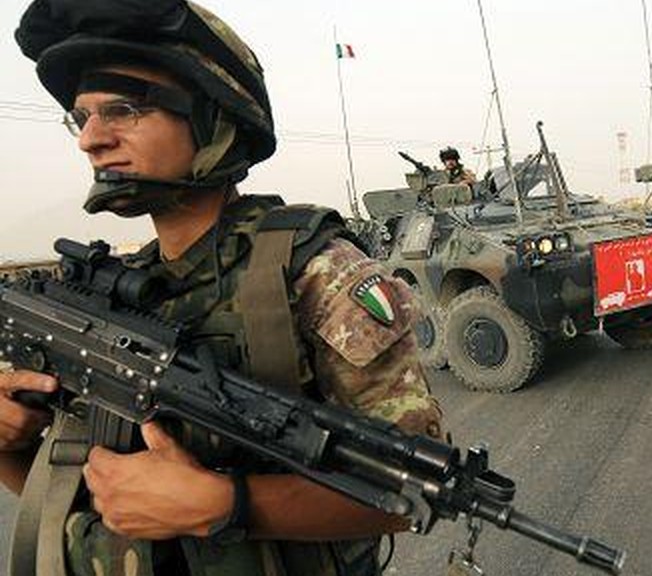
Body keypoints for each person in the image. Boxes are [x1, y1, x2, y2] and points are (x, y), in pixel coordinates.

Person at [4, 1, 443, 574]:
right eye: (80, 117)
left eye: (122, 109)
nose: (90, 139)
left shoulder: (316, 271)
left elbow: (415, 491)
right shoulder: (114, 292)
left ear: (214, 118)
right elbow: (79, 499)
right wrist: (9, 445)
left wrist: (230, 504)